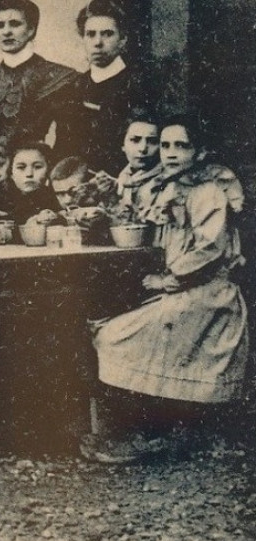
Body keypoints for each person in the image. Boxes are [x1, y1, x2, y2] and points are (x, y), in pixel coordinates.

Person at [86, 116, 250, 464]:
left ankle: (149, 434)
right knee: (110, 326)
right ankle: (143, 431)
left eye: (182, 146)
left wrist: (169, 279)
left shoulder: (208, 191)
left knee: (119, 334)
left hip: (209, 295)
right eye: (166, 145)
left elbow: (210, 249)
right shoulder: (168, 188)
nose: (170, 153)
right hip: (182, 291)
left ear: (200, 152)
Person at [52, 0, 155, 175]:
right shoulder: (72, 89)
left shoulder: (142, 87)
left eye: (107, 34)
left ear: (123, 39)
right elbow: (63, 148)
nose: (98, 42)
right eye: (90, 34)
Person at [0, 0, 80, 147]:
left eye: (15, 24)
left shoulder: (59, 78)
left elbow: (67, 142)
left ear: (31, 29)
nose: (6, 32)